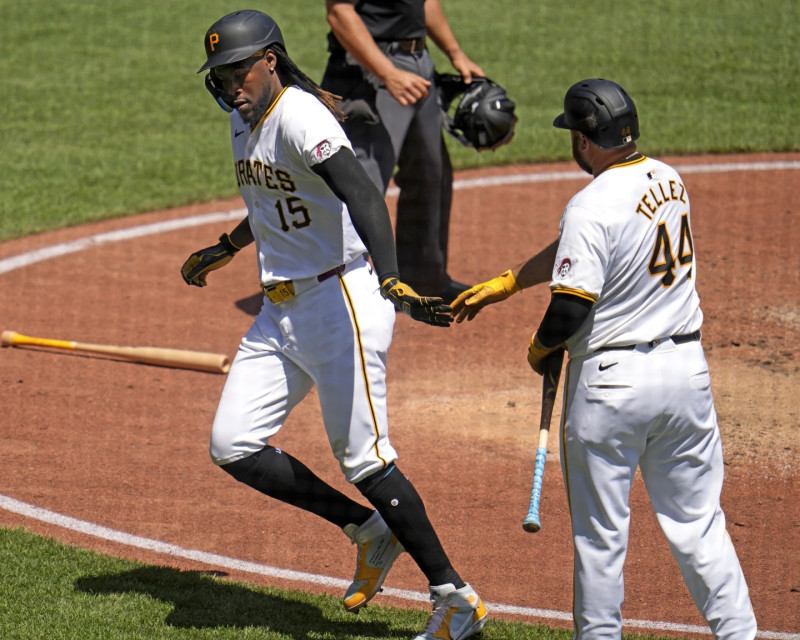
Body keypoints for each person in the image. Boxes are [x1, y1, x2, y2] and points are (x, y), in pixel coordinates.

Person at [180, 10, 487, 640]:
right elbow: (273, 201)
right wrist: (228, 245)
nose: (230, 83)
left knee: (366, 459)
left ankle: (457, 600)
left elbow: (362, 192)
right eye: (221, 74)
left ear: (269, 60)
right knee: (232, 443)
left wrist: (393, 277)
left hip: (339, 299)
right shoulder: (245, 121)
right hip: (280, 310)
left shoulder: (298, 113)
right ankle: (368, 530)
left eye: (239, 69)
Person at [451, 79, 757, 639]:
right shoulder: (669, 179)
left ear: (587, 142)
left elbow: (570, 306)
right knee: (699, 525)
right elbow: (588, 247)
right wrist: (512, 281)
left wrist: (541, 349)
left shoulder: (589, 204)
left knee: (600, 540)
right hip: (686, 375)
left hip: (612, 389)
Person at [319, 0, 484, 303]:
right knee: (360, 185)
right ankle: (338, 290)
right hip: (368, 69)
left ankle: (423, 282)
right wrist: (388, 74)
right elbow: (340, 12)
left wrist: (455, 53)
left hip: (418, 62)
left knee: (429, 174)